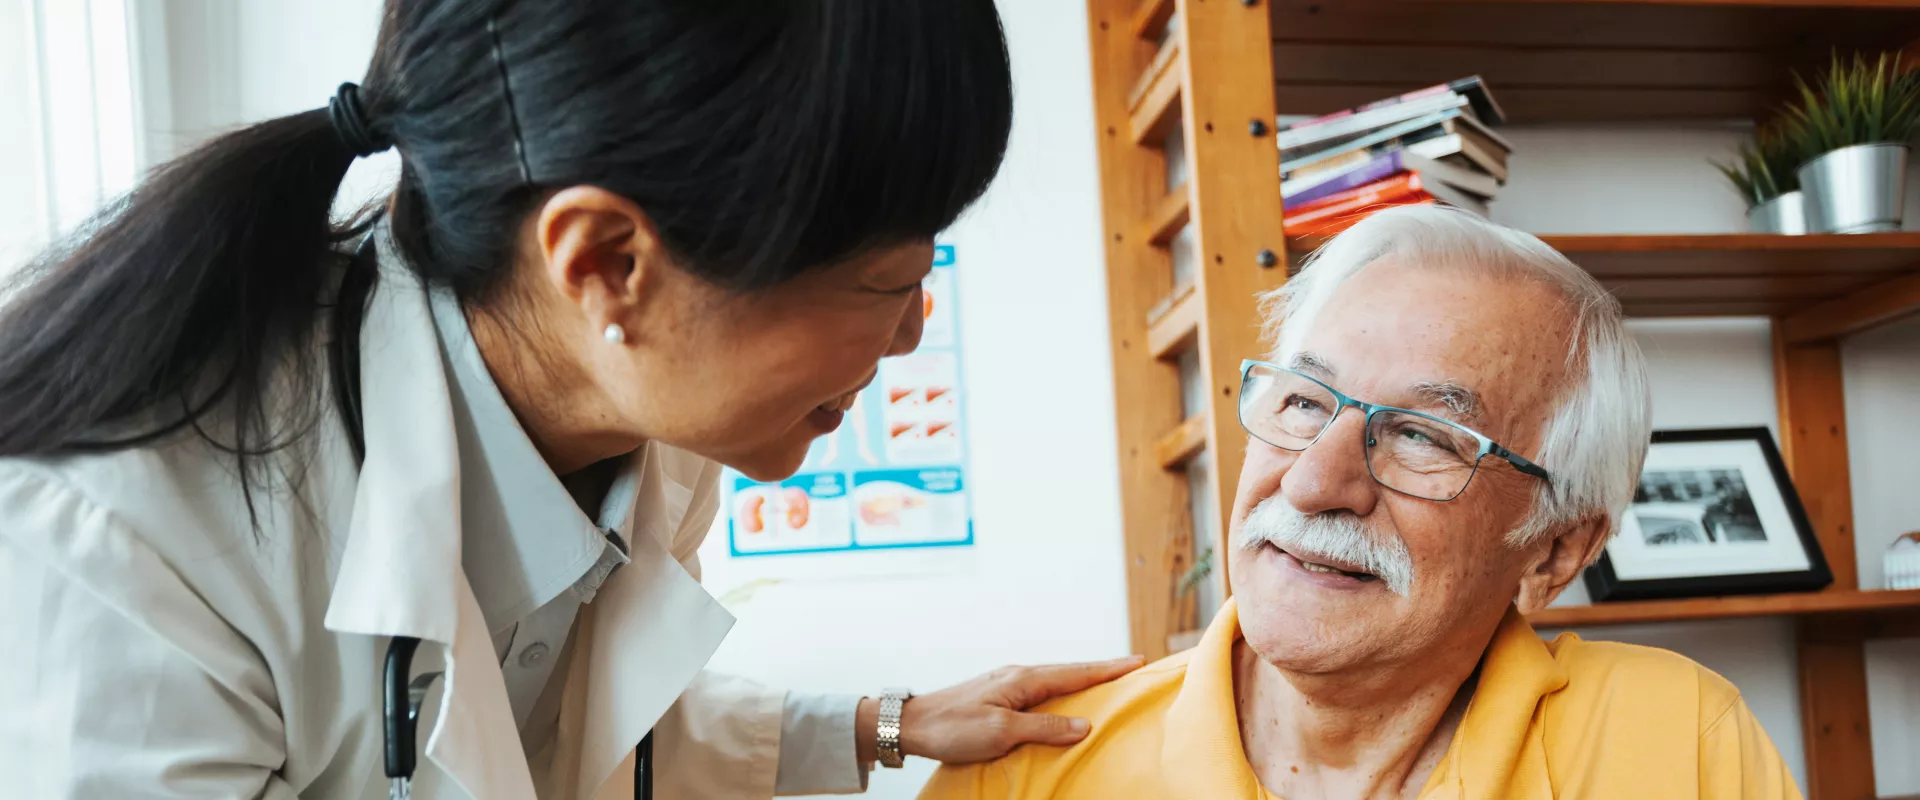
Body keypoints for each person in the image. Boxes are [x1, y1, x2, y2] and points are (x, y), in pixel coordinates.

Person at [0, 2, 1145, 798]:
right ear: (606, 262)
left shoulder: (646, 421)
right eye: (885, 283)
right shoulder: (128, 546)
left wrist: (885, 724)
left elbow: (577, 724)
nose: (909, 334)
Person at [919, 206, 1801, 799]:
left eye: (1421, 435)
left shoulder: (1680, 743)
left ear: (1554, 553)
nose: (1312, 482)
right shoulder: (1027, 772)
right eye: (1303, 403)